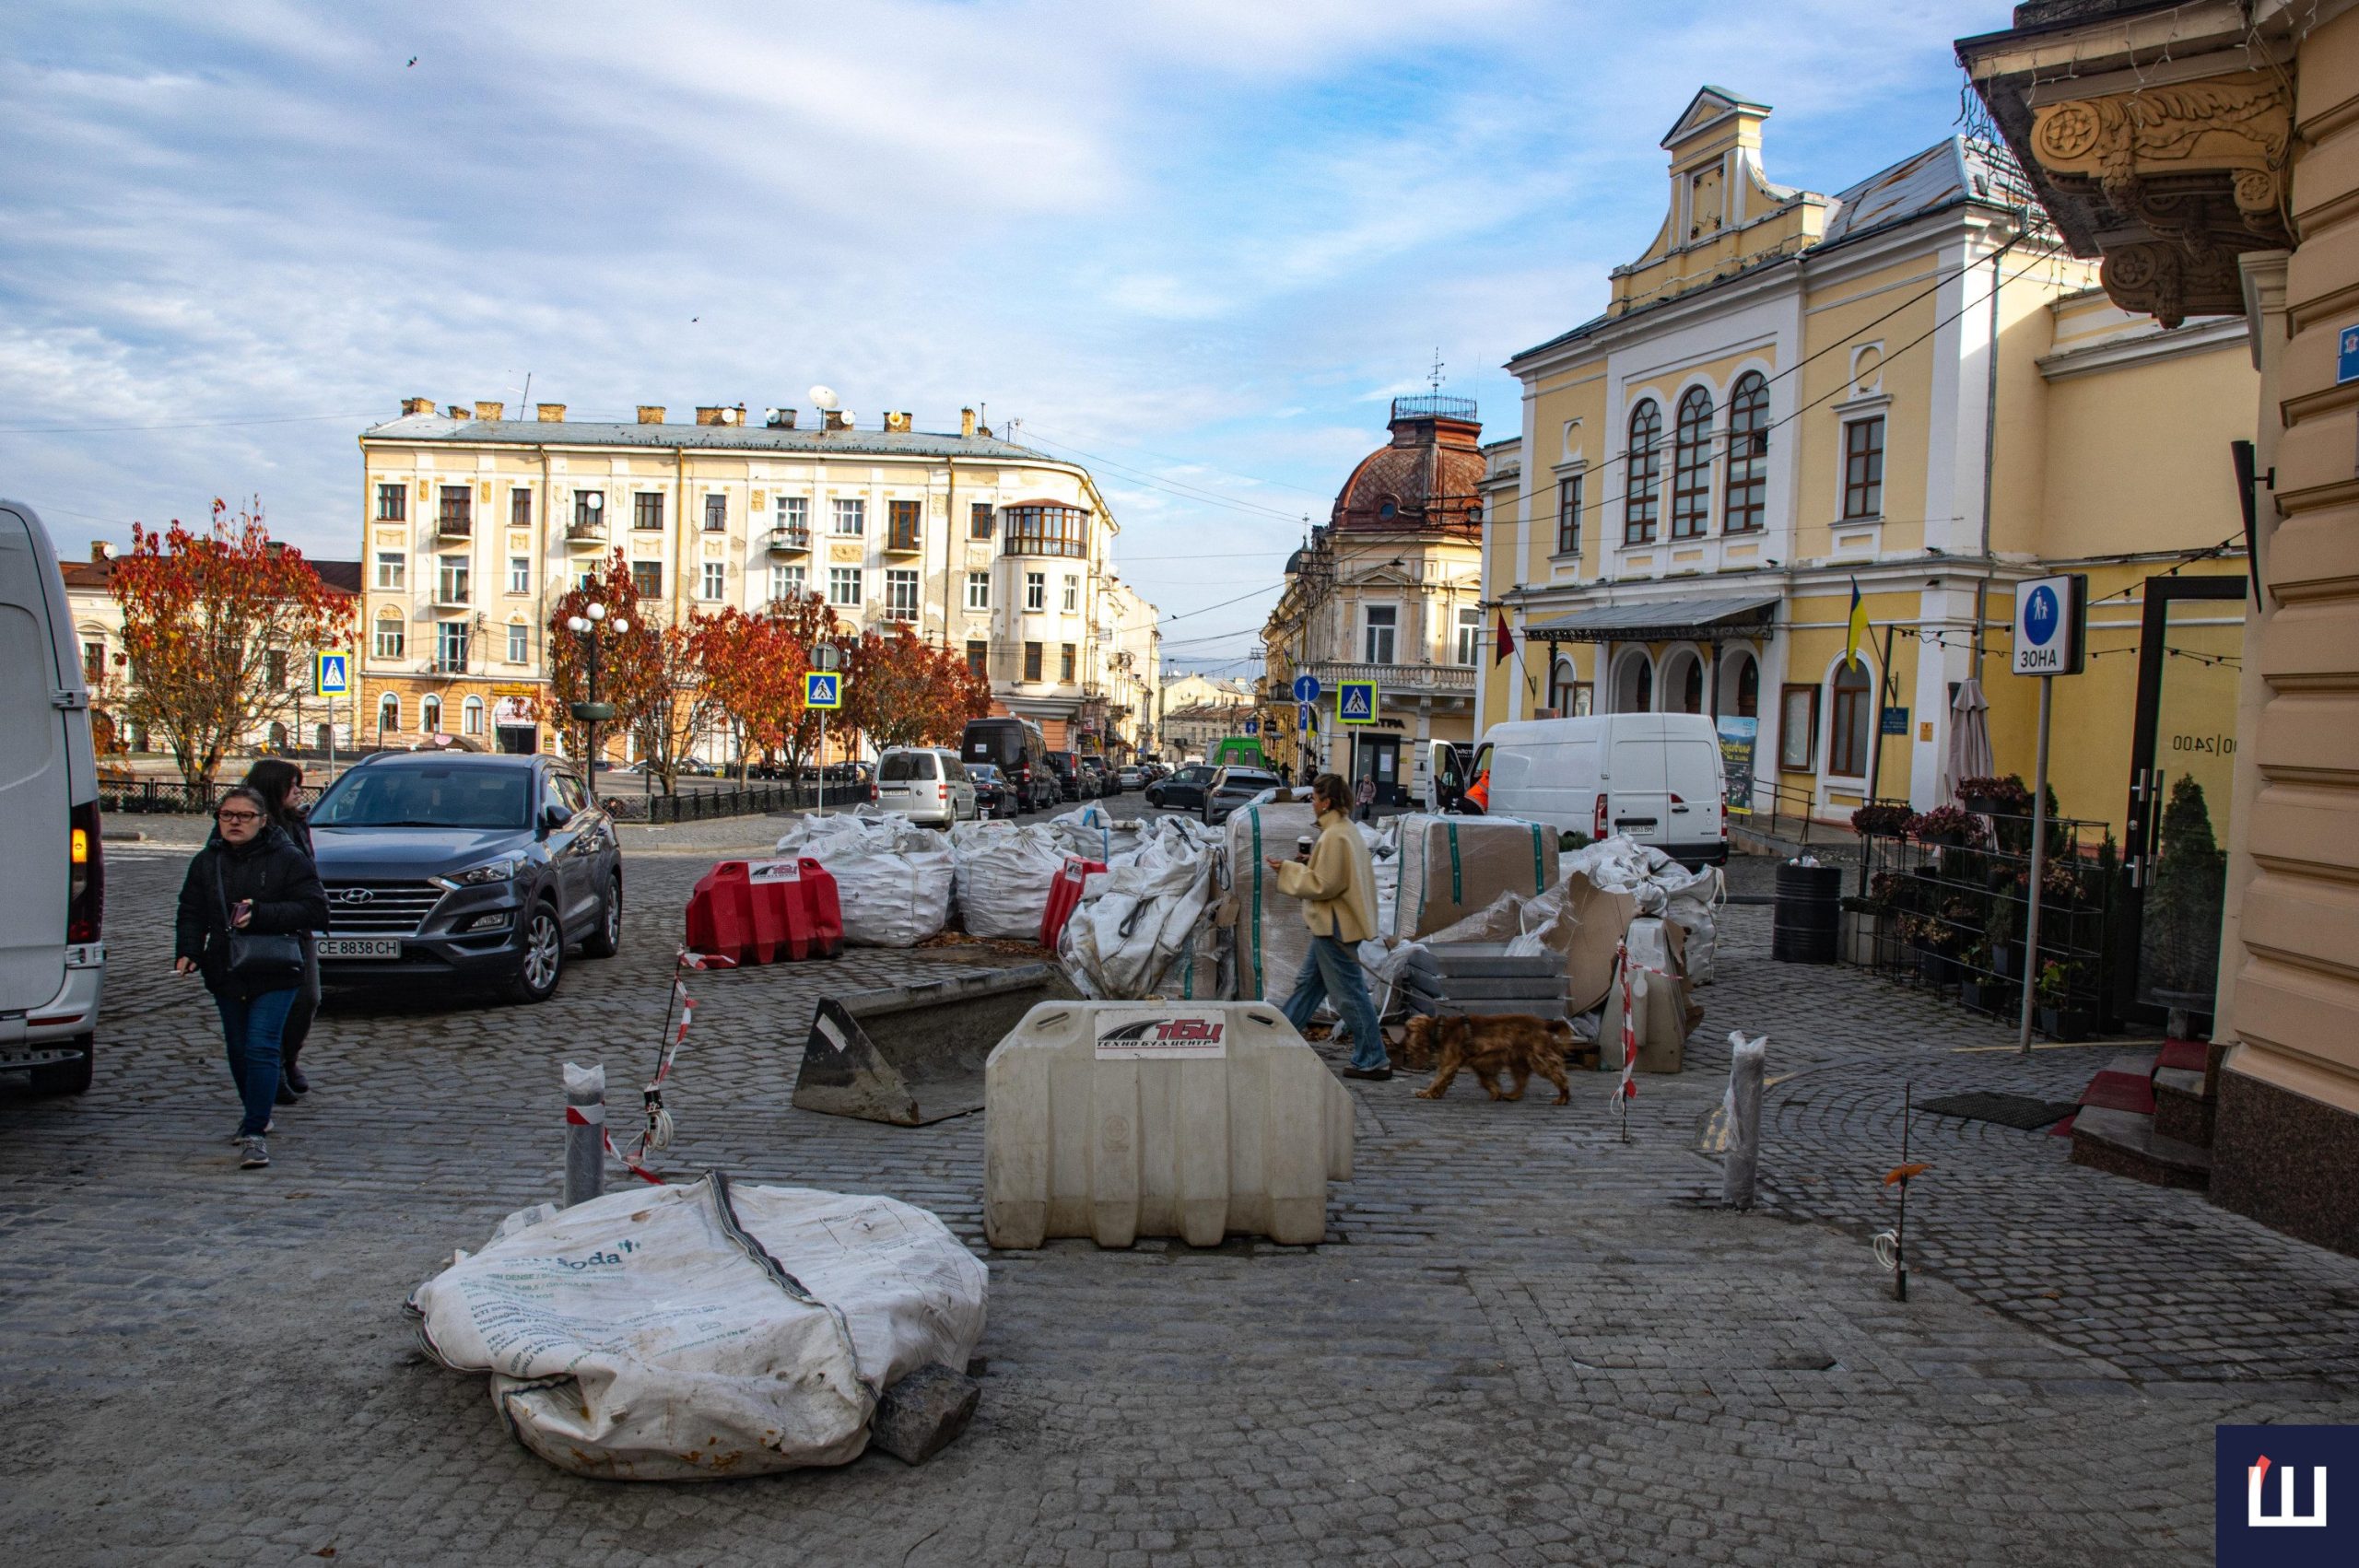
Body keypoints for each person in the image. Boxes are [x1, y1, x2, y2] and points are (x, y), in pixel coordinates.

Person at [175, 785, 328, 1169]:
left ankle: (255, 1131)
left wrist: (260, 914)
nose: (235, 823)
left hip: (275, 966)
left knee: (261, 1046)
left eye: (244, 816)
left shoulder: (288, 859)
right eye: (227, 815)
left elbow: (315, 909)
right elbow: (191, 910)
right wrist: (188, 951)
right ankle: (255, 1112)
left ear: (262, 821)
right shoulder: (206, 862)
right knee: (238, 1047)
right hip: (226, 968)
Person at [1265, 772, 1391, 1081]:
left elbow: (1326, 885)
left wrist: (1290, 870)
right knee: (1308, 987)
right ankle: (1278, 1044)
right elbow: (1333, 877)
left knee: (1349, 994)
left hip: (1335, 926)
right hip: (1335, 924)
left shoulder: (1335, 836)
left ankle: (1374, 1058)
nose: (1312, 804)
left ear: (1327, 802)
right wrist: (1300, 867)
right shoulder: (1343, 831)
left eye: (1315, 799)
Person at [236, 757, 320, 1100]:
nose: (299, 791)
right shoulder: (249, 826)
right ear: (275, 788)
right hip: (261, 928)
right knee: (267, 1003)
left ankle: (289, 1059)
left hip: (298, 922)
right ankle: (271, 1070)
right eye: (293, 785)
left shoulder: (297, 823)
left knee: (308, 997)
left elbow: (308, 870)